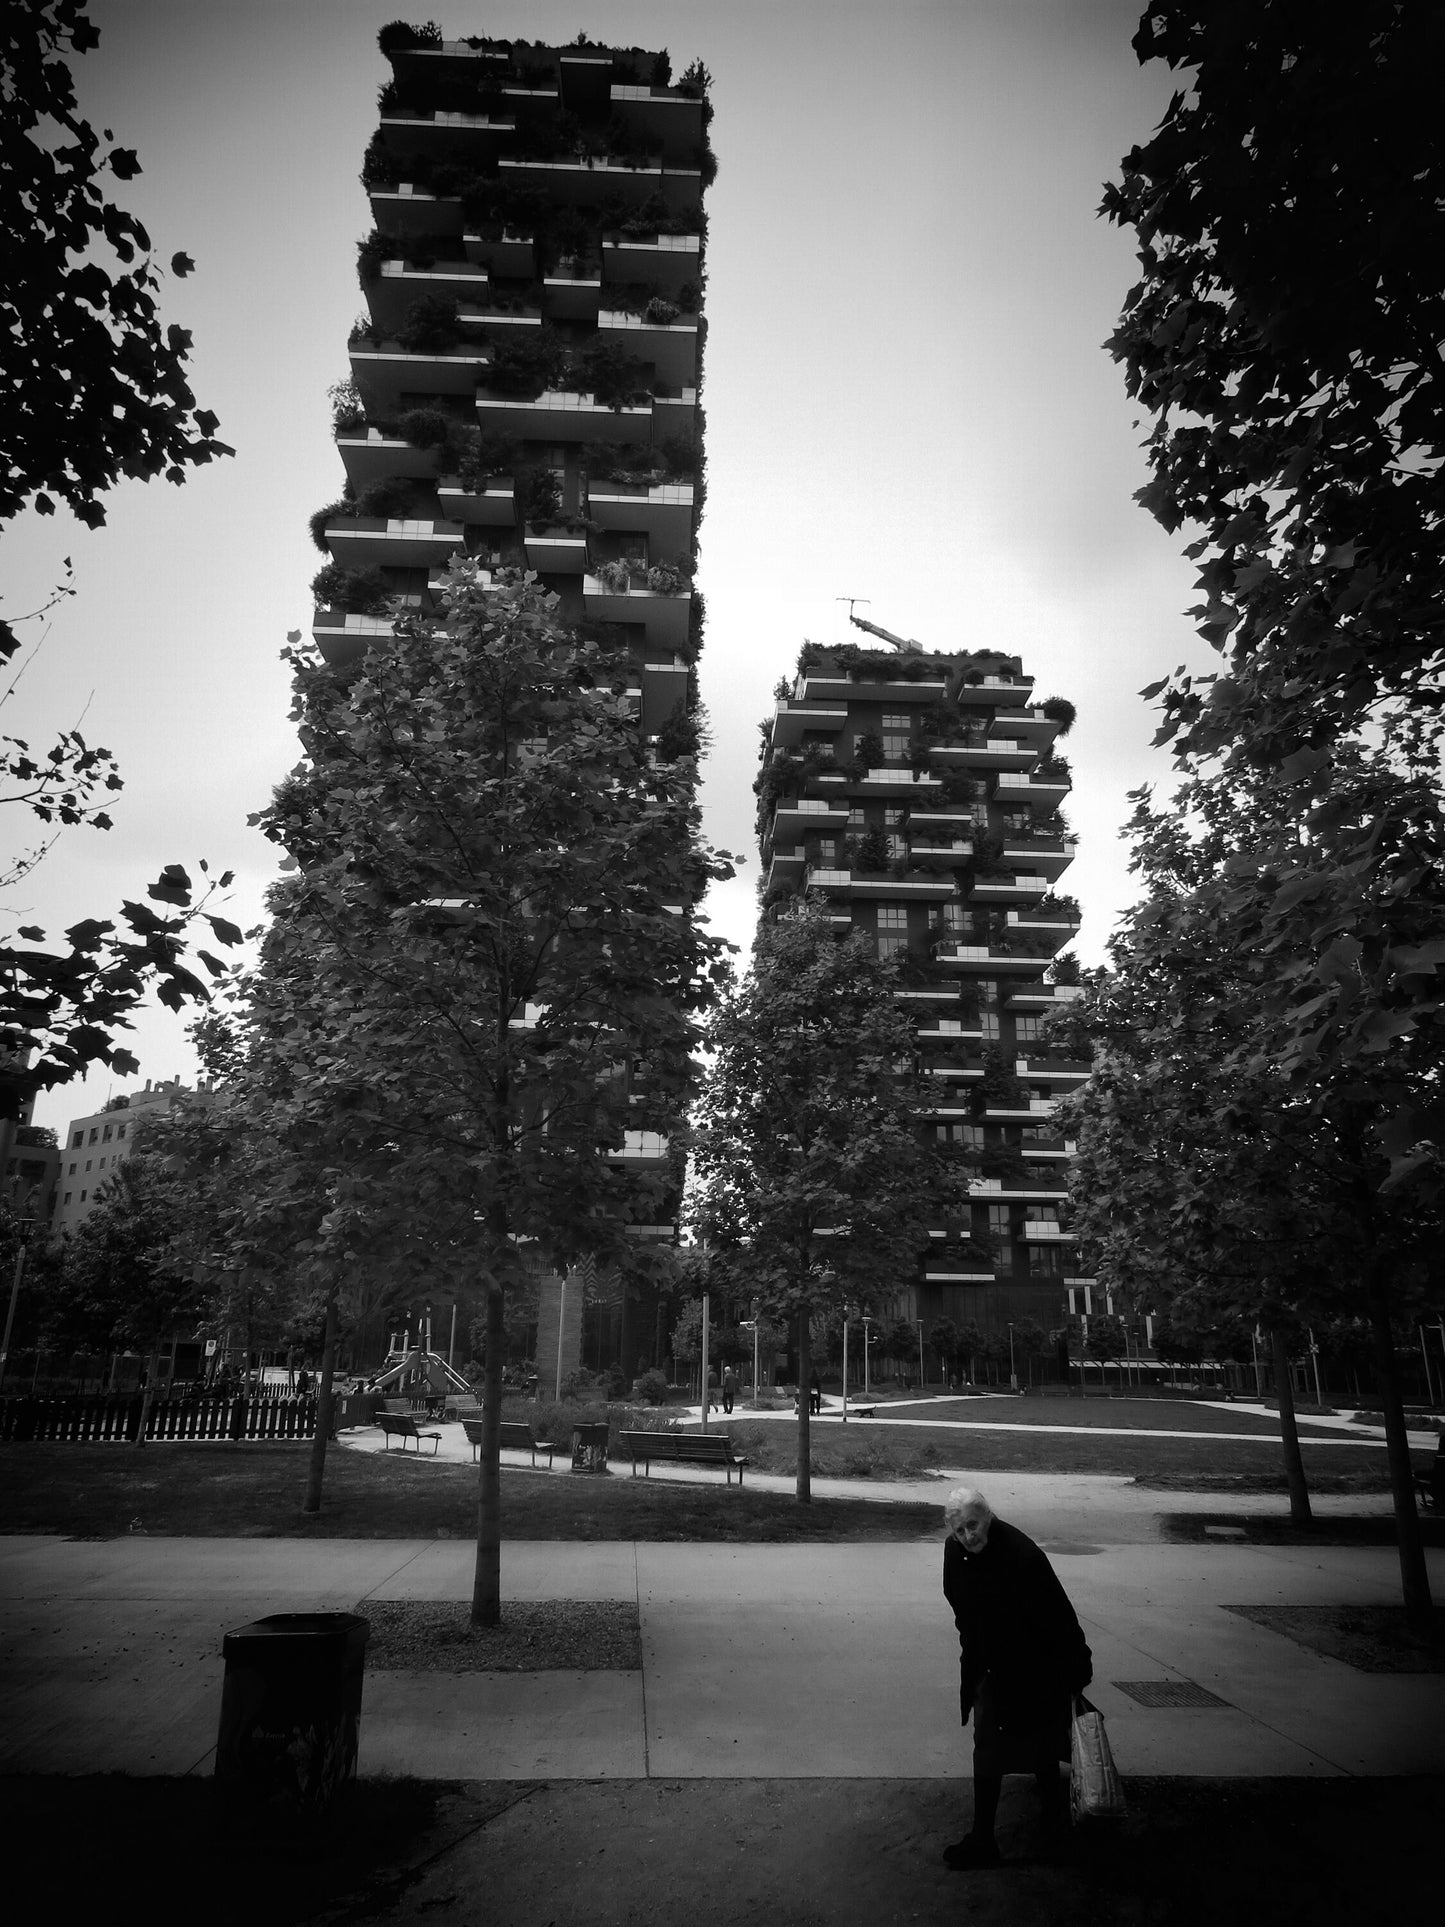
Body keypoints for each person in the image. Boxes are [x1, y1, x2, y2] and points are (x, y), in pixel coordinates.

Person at [941, 1485, 1092, 1869]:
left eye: (973, 1525)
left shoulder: (1024, 1557)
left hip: (1033, 1667)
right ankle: (983, 1839)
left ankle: (1056, 1825)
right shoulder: (954, 1553)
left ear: (988, 1516)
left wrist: (1076, 1670)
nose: (968, 1536)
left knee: (1043, 1742)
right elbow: (956, 1599)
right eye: (960, 1531)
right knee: (988, 1748)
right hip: (989, 1667)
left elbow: (1061, 1618)